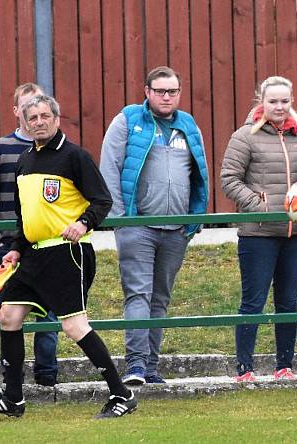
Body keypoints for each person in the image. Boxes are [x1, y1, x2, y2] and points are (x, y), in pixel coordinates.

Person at [0, 94, 136, 419]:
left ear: (57, 119)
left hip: (67, 255)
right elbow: (25, 216)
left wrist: (83, 222)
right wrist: (17, 247)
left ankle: (122, 394)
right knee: (8, 316)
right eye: (33, 118)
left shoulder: (75, 156)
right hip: (32, 256)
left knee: (74, 327)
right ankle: (13, 399)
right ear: (25, 122)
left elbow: (102, 200)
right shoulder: (24, 161)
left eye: (45, 116)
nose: (39, 122)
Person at [99, 66, 209, 385]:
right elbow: (110, 168)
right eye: (160, 91)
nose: (166, 97)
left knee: (160, 298)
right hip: (138, 226)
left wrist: (193, 220)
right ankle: (134, 365)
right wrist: (123, 220)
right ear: (147, 91)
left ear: (179, 93)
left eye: (172, 91)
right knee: (138, 295)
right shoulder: (129, 120)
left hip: (176, 229)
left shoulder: (188, 125)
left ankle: (150, 367)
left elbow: (198, 172)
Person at [220, 76, 297, 382]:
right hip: (258, 233)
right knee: (253, 302)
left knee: (289, 302)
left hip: (295, 234)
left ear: (291, 101)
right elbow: (229, 178)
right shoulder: (244, 136)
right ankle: (245, 369)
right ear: (261, 101)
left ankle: (284, 366)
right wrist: (259, 205)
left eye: (285, 101)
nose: (279, 107)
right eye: (273, 101)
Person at [0, 82, 60, 387]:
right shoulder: (1, 148)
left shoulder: (58, 152)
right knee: (10, 314)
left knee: (49, 313)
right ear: (18, 112)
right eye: (28, 109)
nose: (35, 117)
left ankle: (46, 374)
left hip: (46, 245)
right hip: (8, 247)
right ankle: (11, 377)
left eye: (41, 109)